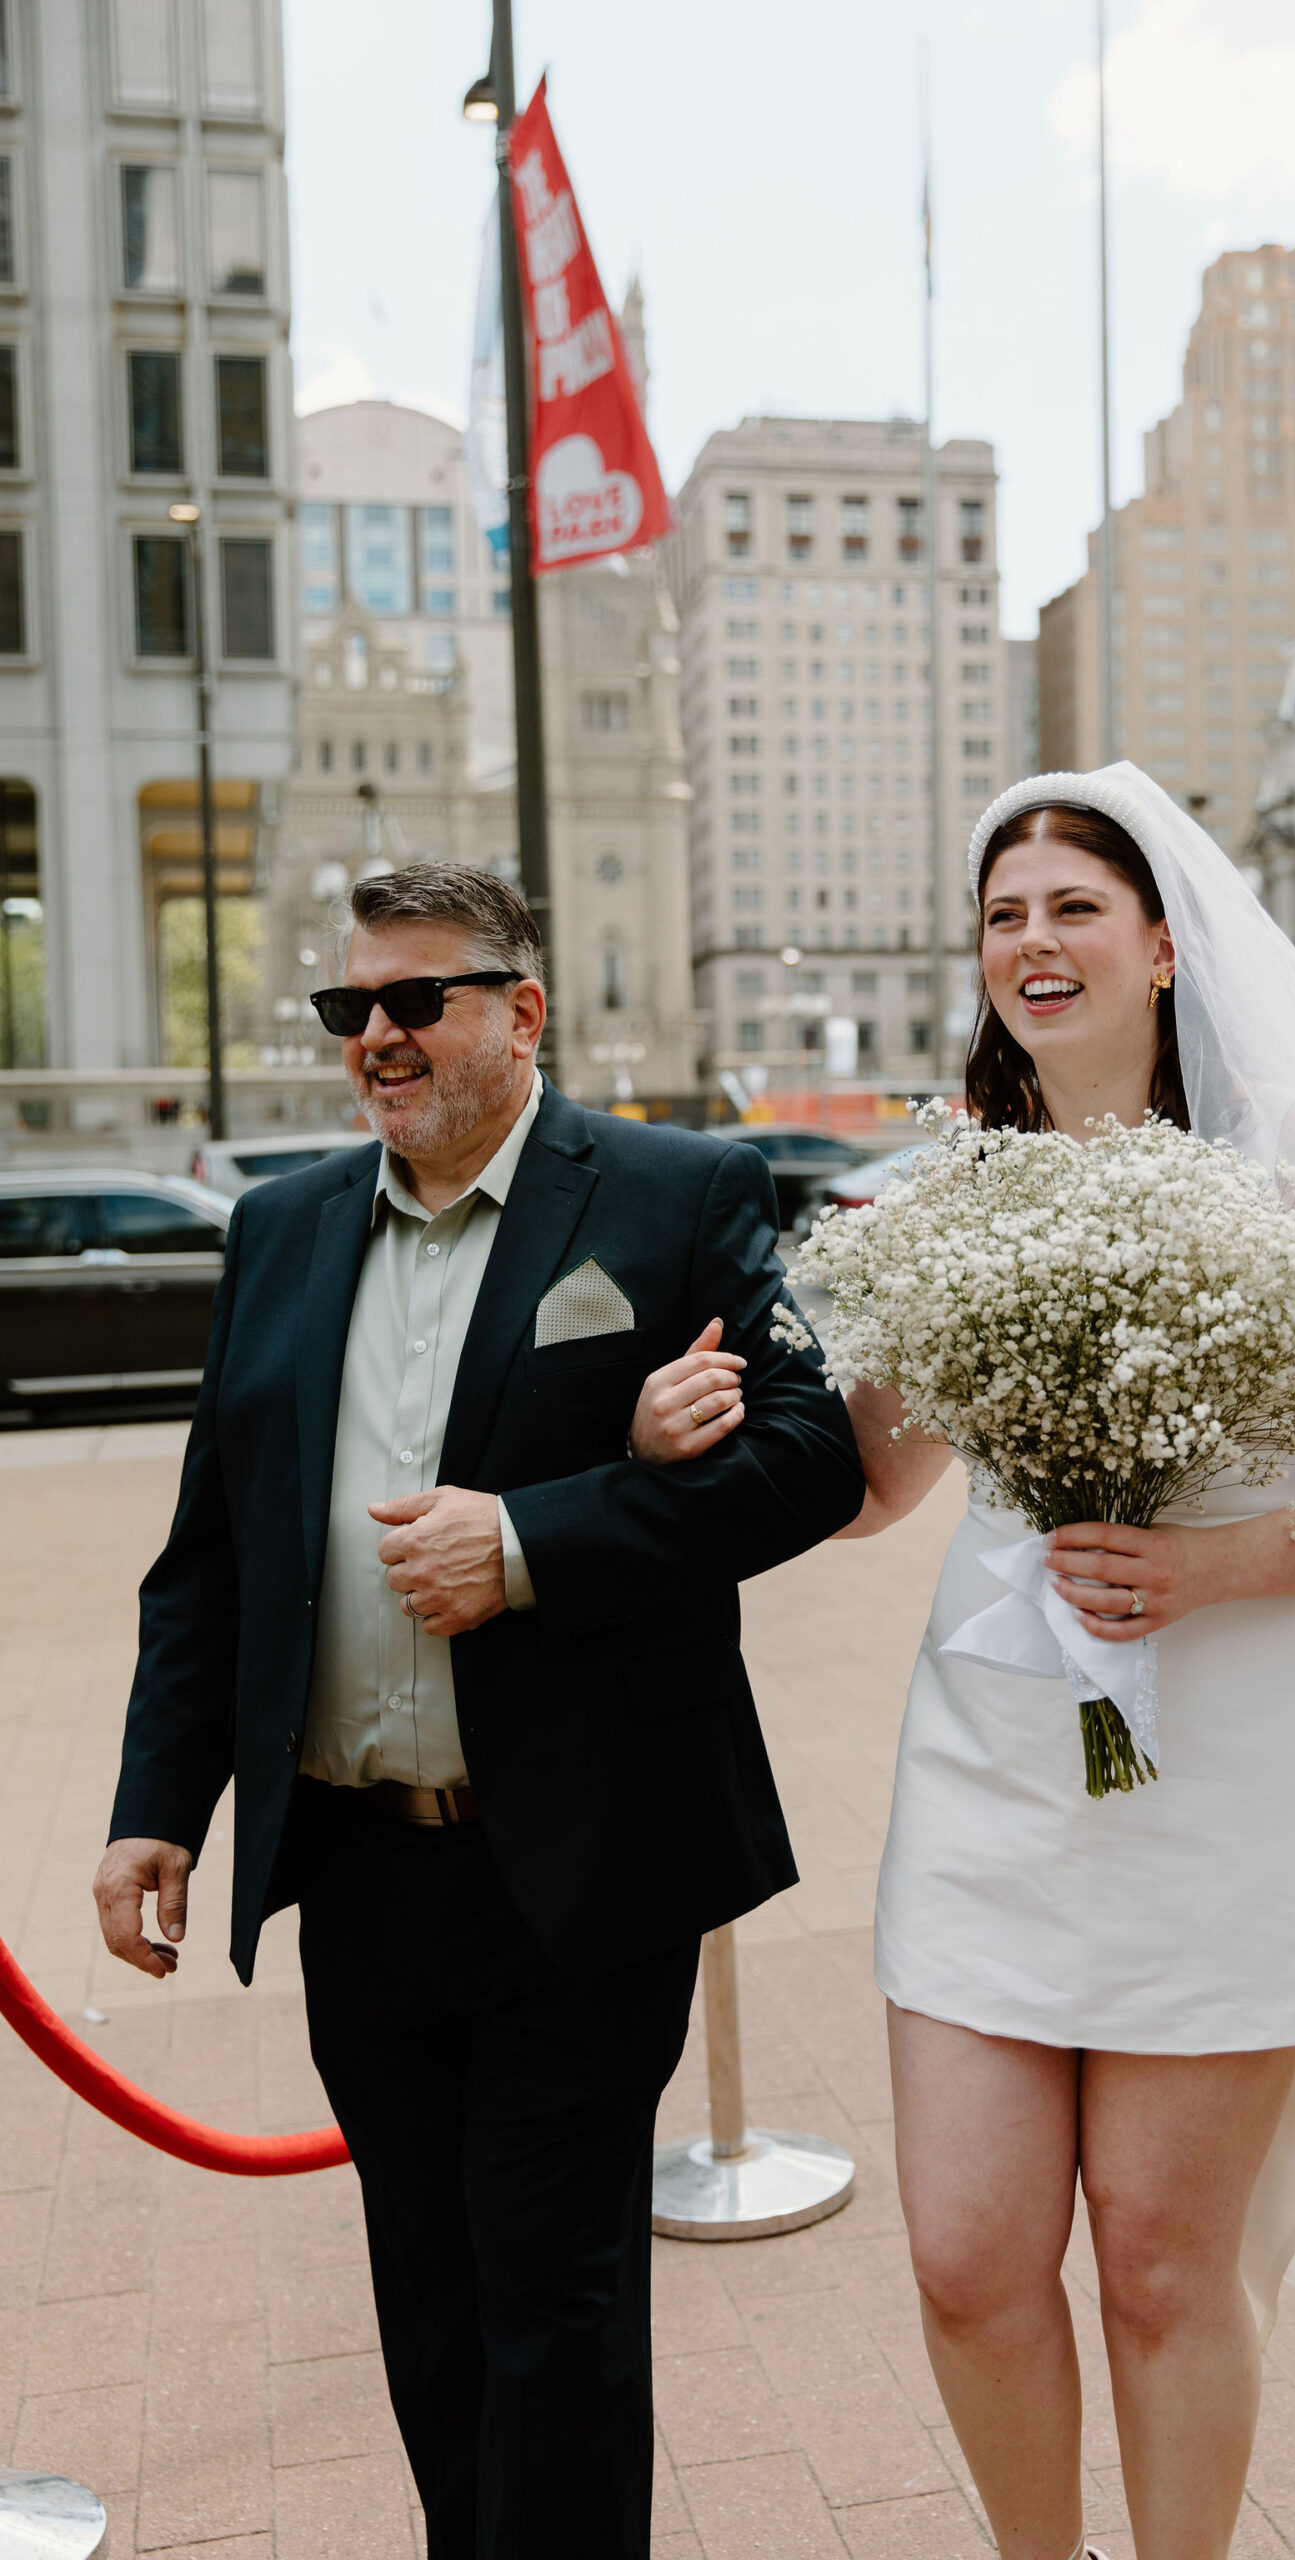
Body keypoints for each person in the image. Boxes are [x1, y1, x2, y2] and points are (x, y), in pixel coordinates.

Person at [631, 767, 1295, 2560]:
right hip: (1000, 1769)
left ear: (1165, 942)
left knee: (1163, 2267)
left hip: (1232, 1776)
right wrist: (698, 1431)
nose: (1035, 942)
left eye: (1074, 906)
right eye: (1005, 915)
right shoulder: (957, 1191)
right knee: (966, 2255)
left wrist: (1212, 1563)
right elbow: (876, 1484)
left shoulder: (1293, 1154)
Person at [93, 864, 864, 2560]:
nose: (375, 1036)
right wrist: (161, 1801)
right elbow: (214, 1549)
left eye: (413, 1000)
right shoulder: (282, 1230)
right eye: (347, 1009)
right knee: (428, 2301)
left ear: (520, 1011)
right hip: (356, 1876)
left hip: (576, 1872)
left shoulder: (674, 1195)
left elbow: (815, 1458)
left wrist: (530, 1541)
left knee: (553, 2299)